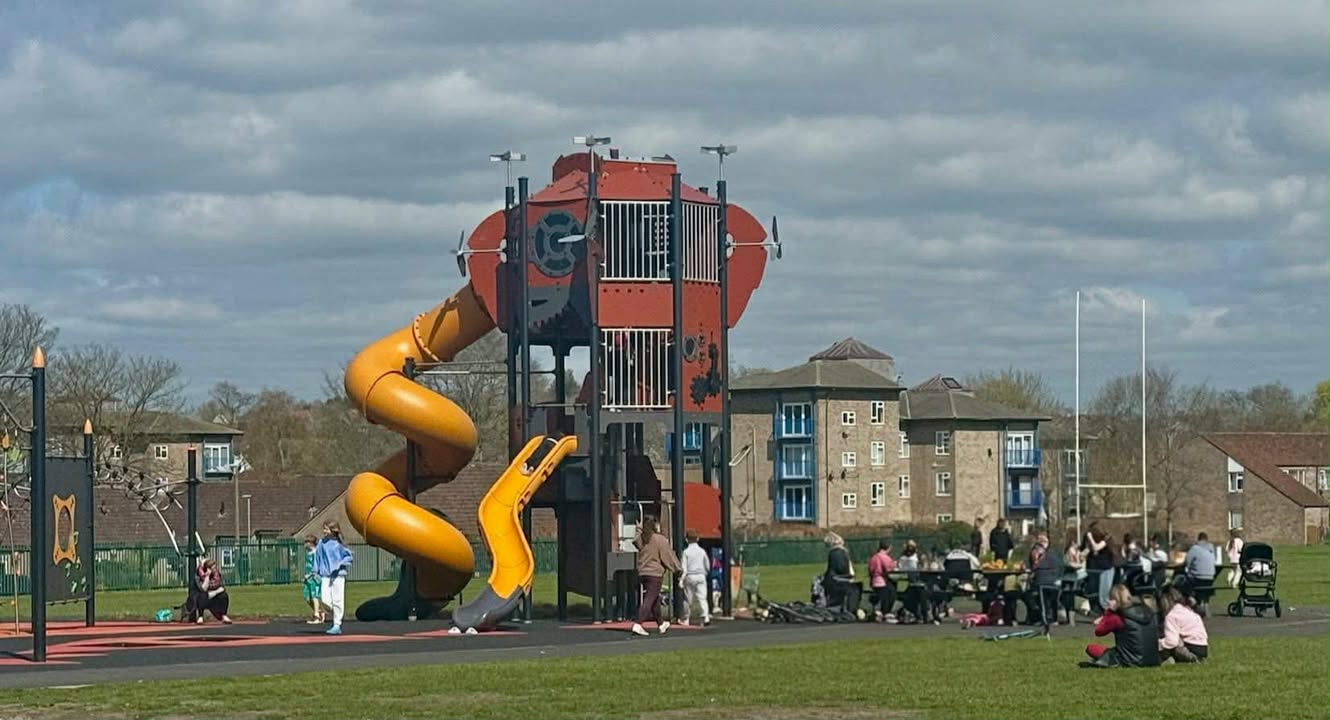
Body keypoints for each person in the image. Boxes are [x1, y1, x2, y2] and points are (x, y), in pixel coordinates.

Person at [1084, 583, 1161, 668]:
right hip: (1153, 659)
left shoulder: (1118, 617)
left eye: (1110, 599)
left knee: (1091, 648)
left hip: (1129, 659)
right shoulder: (1147, 612)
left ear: (1115, 600)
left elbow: (1099, 631)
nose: (1108, 601)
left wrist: (1109, 612)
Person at [631, 515, 680, 637]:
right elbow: (668, 556)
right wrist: (677, 569)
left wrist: (638, 529)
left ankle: (661, 623)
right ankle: (638, 623)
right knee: (649, 599)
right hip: (655, 573)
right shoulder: (659, 539)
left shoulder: (642, 538)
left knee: (654, 598)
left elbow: (635, 540)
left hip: (643, 572)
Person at [314, 521, 353, 635]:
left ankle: (337, 624)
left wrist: (339, 564)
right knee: (324, 598)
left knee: (338, 599)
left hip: (338, 576)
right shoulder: (321, 543)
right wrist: (315, 571)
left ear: (333, 530)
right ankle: (335, 611)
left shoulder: (339, 544)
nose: (324, 531)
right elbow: (317, 558)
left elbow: (348, 557)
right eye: (324, 529)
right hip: (325, 575)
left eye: (326, 529)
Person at [1158, 586, 1209, 663]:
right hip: (1202, 647)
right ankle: (1197, 658)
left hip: (1188, 648)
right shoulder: (1189, 611)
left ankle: (1189, 657)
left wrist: (1159, 643)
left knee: (1169, 648)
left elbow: (1171, 642)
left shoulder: (1171, 616)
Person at [677, 529, 711, 627]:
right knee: (702, 598)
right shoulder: (702, 551)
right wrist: (705, 572)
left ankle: (686, 619)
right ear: (698, 538)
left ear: (686, 540)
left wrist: (681, 580)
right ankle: (705, 616)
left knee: (688, 599)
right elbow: (707, 565)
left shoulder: (686, 552)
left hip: (690, 576)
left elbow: (684, 568)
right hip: (701, 575)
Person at [1082, 522, 1116, 612]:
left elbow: (1096, 547)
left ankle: (1107, 611)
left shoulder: (1107, 538)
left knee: (1104, 593)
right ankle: (1098, 608)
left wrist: (1090, 538)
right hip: (1096, 569)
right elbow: (1087, 550)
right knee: (1095, 590)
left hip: (1106, 568)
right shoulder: (1092, 541)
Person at [821, 532, 857, 613]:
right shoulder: (844, 552)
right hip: (846, 580)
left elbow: (837, 568)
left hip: (838, 582)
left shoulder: (835, 553)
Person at [189, 558, 232, 624]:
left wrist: (214, 593)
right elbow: (203, 589)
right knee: (202, 596)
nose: (215, 569)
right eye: (213, 568)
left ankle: (224, 615)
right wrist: (207, 576)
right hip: (202, 596)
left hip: (213, 594)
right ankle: (200, 617)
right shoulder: (199, 575)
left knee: (224, 595)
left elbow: (222, 588)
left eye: (215, 567)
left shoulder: (217, 574)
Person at [1177, 532, 1217, 603]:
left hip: (1197, 578)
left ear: (1198, 539)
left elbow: (1187, 562)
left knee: (1181, 583)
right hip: (1210, 578)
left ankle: (1188, 601)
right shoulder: (1212, 549)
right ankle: (1202, 602)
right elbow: (1214, 560)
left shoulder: (1195, 549)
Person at [867, 541, 897, 622]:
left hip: (874, 581)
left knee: (889, 590)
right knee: (891, 594)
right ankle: (885, 612)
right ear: (889, 548)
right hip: (881, 581)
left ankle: (881, 612)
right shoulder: (884, 557)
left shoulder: (874, 557)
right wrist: (894, 564)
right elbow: (889, 568)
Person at [301, 534, 324, 625]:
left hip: (314, 578)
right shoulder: (308, 553)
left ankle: (317, 616)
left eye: (306, 542)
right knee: (307, 597)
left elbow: (316, 567)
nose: (305, 545)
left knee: (315, 596)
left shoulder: (316, 553)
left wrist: (311, 574)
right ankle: (319, 610)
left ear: (311, 543)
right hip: (308, 578)